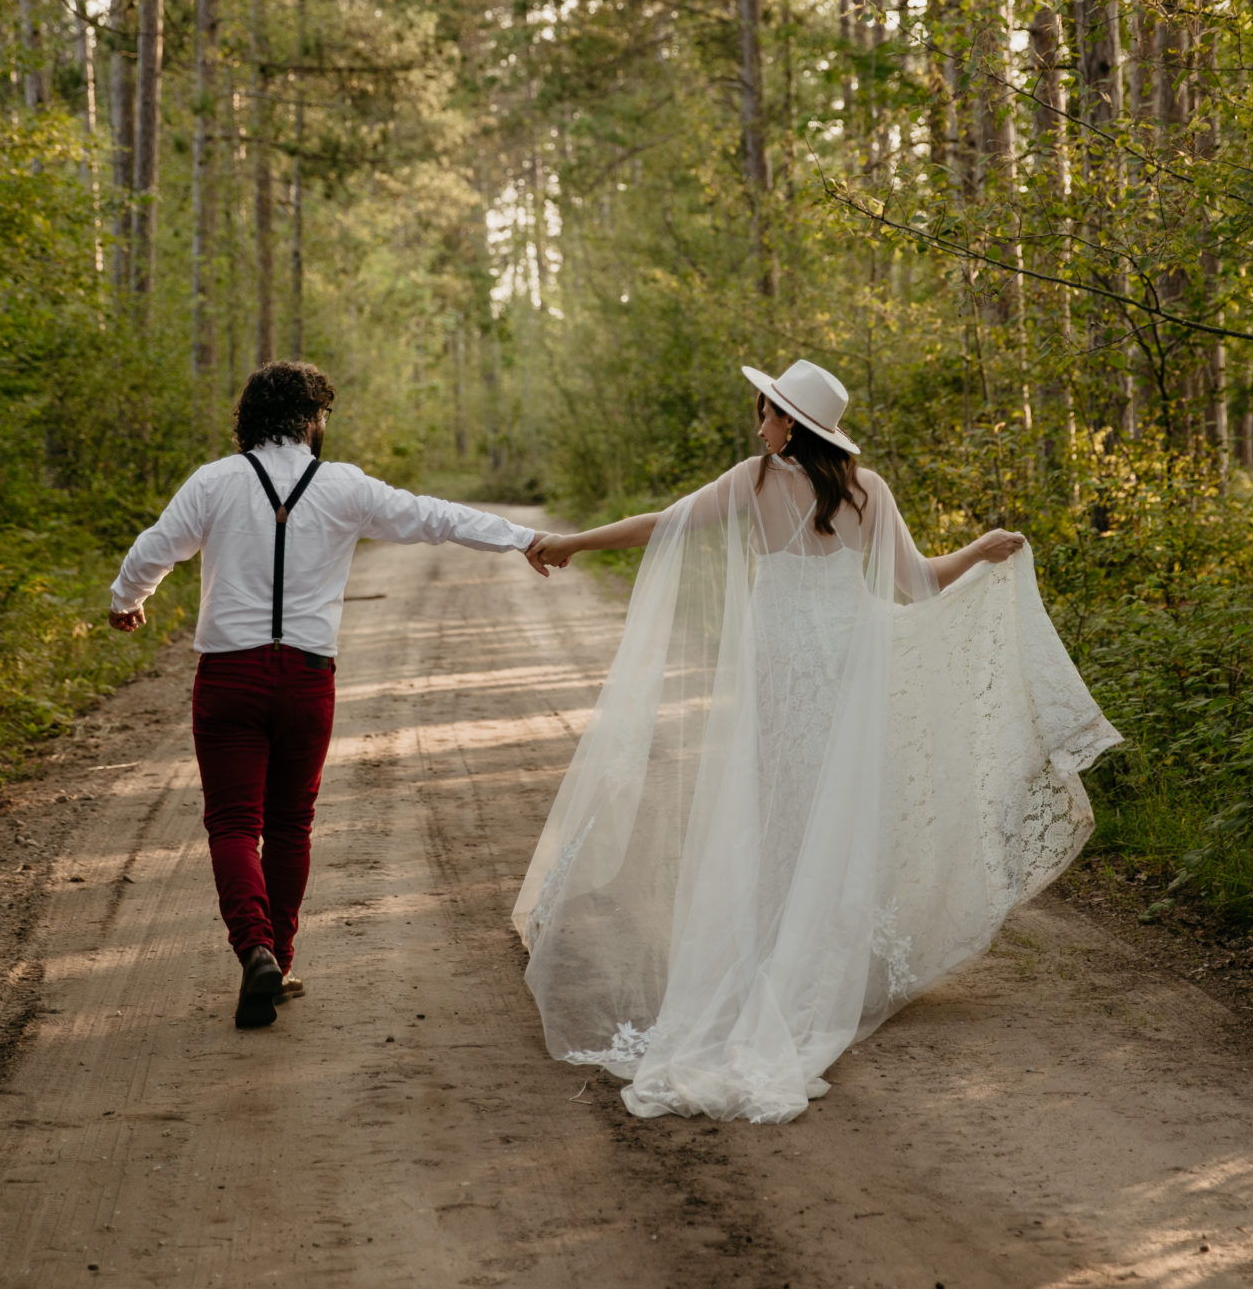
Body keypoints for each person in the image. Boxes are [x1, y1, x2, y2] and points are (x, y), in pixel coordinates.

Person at [516, 358, 1119, 1124]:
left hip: (783, 671)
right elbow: (921, 584)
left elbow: (660, 526)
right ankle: (815, 960)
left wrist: (573, 542)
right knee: (837, 812)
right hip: (847, 669)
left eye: (764, 411)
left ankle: (772, 954)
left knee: (781, 807)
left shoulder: (755, 481)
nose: (756, 422)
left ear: (790, 424)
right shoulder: (869, 493)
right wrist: (979, 546)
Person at [110, 359, 548, 1030]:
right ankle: (278, 960)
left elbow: (155, 549)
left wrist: (126, 600)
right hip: (307, 678)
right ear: (313, 422)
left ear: (249, 418)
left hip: (227, 676)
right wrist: (523, 538)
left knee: (232, 825)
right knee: (290, 826)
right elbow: (433, 518)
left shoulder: (215, 482)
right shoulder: (344, 486)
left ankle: (252, 949)